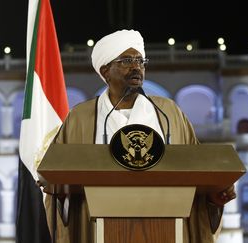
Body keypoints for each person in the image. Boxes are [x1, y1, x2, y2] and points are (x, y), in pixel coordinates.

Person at [44, 29, 236, 243]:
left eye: (140, 61)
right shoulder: (81, 118)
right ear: (105, 70)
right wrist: (60, 196)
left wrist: (212, 199)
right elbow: (57, 182)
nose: (136, 67)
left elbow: (197, 171)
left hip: (166, 228)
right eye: (126, 60)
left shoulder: (169, 113)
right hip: (97, 229)